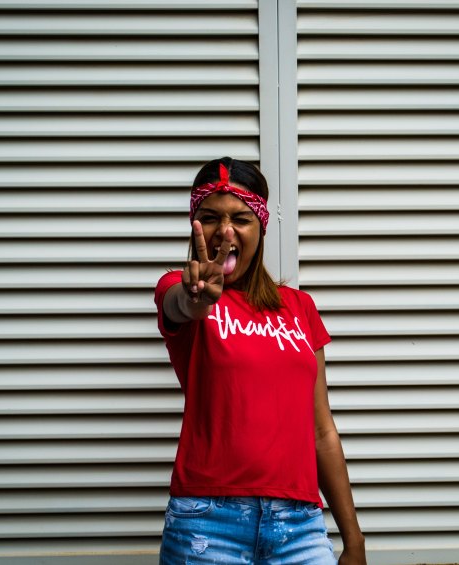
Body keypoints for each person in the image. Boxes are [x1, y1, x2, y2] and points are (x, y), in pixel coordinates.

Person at [154, 157, 366, 564]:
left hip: (300, 526)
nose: (226, 231)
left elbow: (321, 431)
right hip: (206, 523)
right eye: (210, 217)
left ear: (261, 227)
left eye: (241, 218)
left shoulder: (300, 308)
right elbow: (181, 306)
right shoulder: (177, 289)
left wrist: (352, 537)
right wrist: (193, 297)